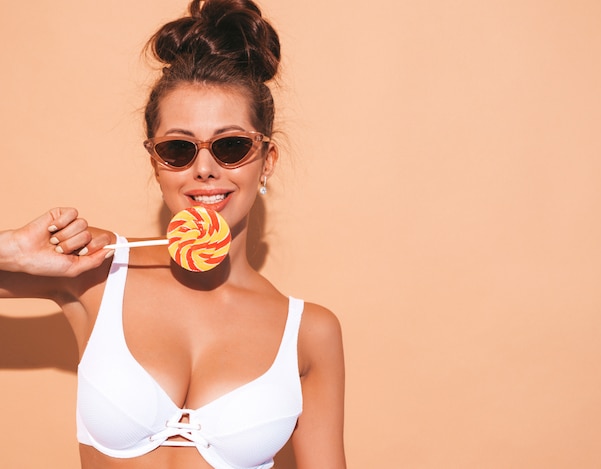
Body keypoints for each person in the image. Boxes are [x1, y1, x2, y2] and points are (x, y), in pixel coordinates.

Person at [0, 0, 346, 468]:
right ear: (156, 164)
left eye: (231, 146)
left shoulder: (309, 332)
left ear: (267, 160)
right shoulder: (98, 273)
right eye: (179, 149)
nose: (204, 168)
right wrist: (13, 249)